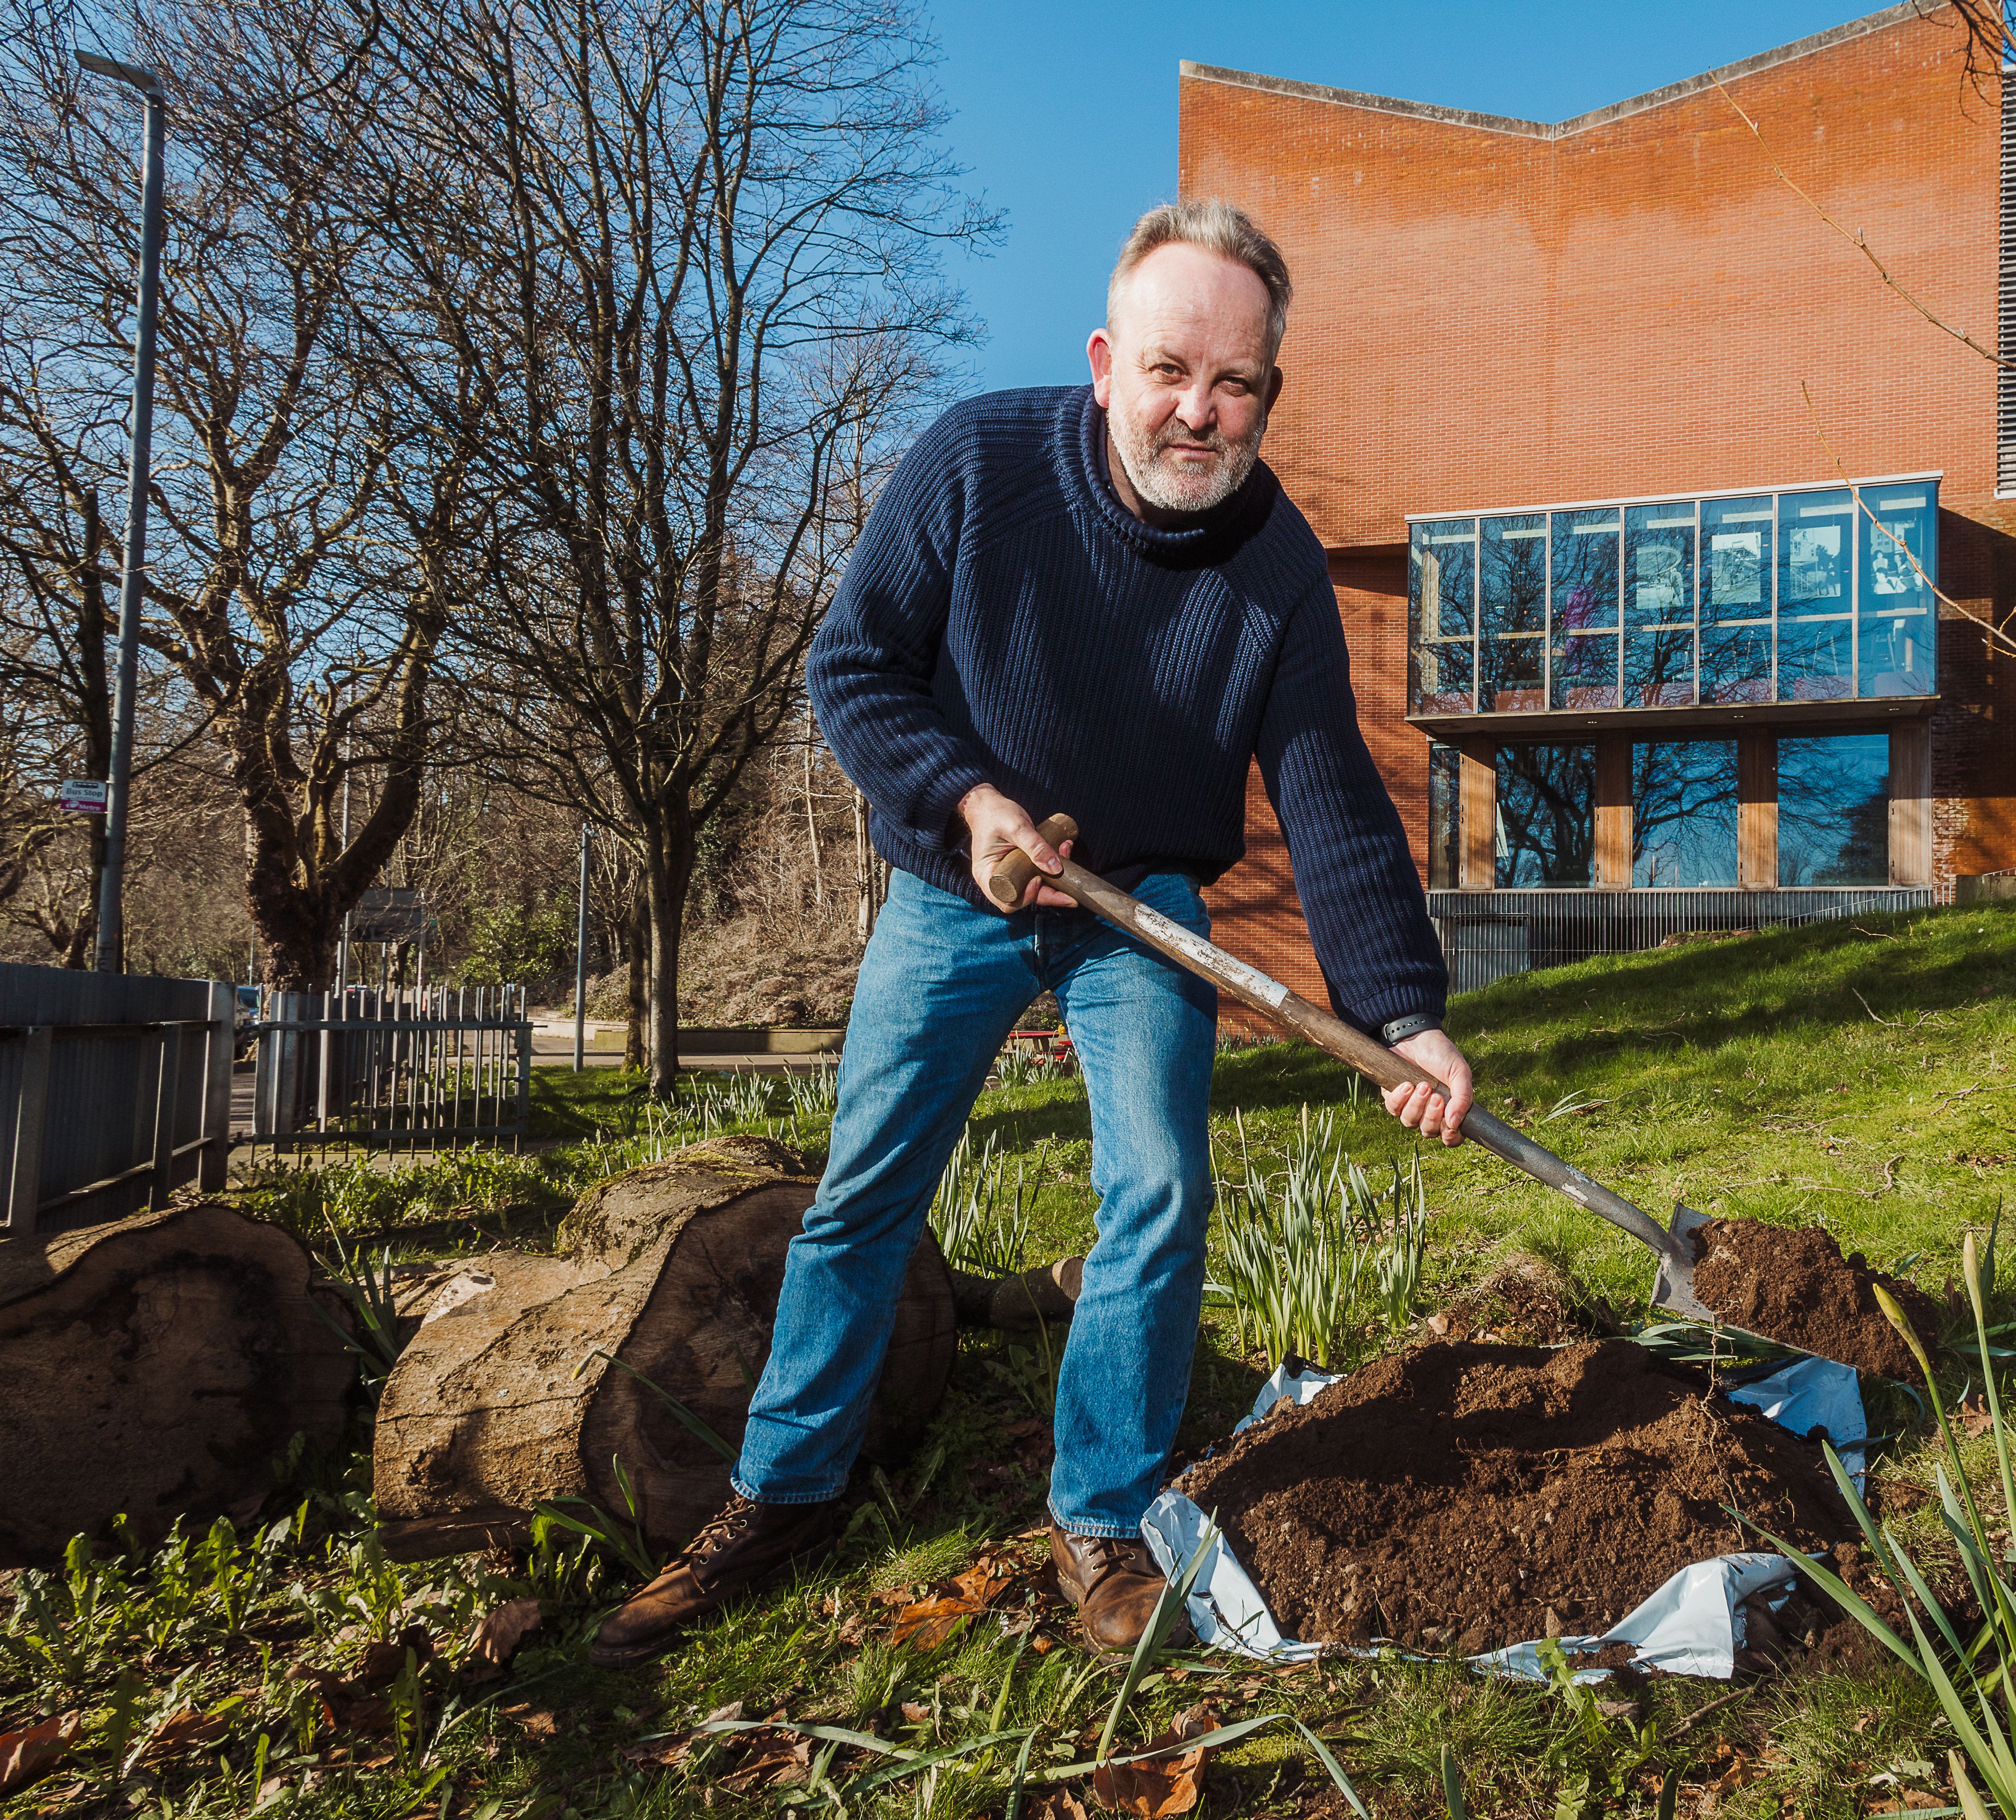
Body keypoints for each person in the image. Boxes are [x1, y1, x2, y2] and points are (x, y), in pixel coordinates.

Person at [590, 199, 1475, 1664]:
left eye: (1237, 382)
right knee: (865, 1192)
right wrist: (968, 802)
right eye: (1170, 369)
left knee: (1159, 1196)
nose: (1200, 409)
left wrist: (1402, 1014)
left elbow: (1332, 800)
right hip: (957, 887)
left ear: (1270, 391)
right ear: (1104, 360)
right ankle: (781, 1491)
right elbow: (856, 669)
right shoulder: (978, 464)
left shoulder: (1276, 567)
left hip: (1148, 912)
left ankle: (1102, 1516)